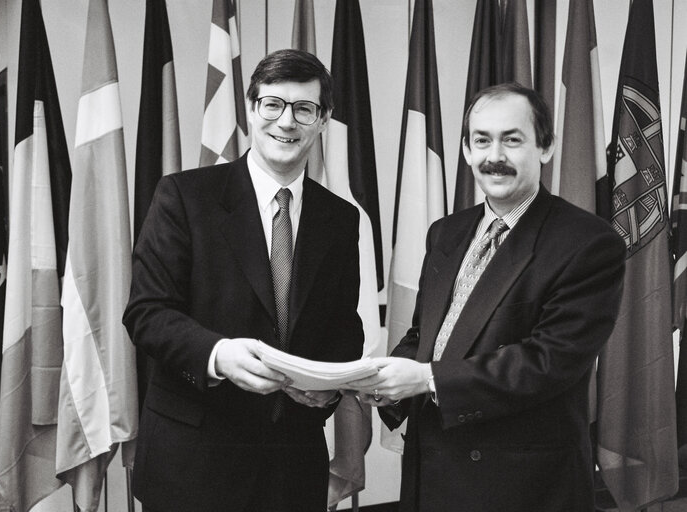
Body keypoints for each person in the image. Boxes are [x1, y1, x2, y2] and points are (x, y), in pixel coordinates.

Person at [348, 83, 626, 512]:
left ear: (546, 147)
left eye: (512, 139)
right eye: (482, 140)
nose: (494, 156)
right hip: (431, 470)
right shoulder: (446, 232)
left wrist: (424, 379)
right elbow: (428, 334)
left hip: (519, 485)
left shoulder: (588, 243)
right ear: (465, 150)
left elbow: (549, 362)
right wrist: (386, 385)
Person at [123, 49, 364, 512]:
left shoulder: (340, 218)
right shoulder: (184, 197)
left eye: (304, 109)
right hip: (192, 462)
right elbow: (147, 313)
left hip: (292, 465)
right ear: (252, 109)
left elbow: (343, 324)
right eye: (273, 104)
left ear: (323, 120)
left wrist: (329, 385)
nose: (286, 122)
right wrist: (218, 355)